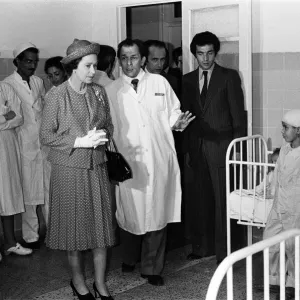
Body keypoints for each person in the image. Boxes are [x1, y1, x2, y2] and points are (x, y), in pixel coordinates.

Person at [105, 38, 195, 286]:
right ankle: (130, 257)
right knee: (129, 213)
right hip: (128, 161)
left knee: (156, 213)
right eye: (123, 58)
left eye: (133, 57)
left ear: (143, 59)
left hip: (158, 159)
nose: (128, 63)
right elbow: (107, 127)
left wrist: (177, 123)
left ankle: (152, 267)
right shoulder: (112, 91)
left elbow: (172, 112)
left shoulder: (159, 82)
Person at [40, 39, 116, 300]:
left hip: (96, 167)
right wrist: (78, 141)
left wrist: (101, 134)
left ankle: (100, 284)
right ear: (74, 66)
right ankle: (78, 282)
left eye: (95, 65)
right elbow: (46, 136)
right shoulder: (56, 96)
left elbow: (109, 125)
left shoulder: (98, 92)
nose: (94, 71)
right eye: (88, 66)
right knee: (73, 232)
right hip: (68, 170)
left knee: (100, 231)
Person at [182, 31, 245, 264]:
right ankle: (202, 246)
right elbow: (185, 117)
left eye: (209, 53)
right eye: (200, 54)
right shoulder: (187, 79)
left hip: (223, 147)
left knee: (222, 201)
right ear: (194, 54)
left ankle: (225, 251)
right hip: (197, 147)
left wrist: (238, 147)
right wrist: (188, 149)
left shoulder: (229, 76)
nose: (205, 58)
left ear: (215, 53)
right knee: (200, 200)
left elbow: (238, 115)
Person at [4, 42, 46, 250]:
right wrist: (12, 117)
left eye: (35, 61)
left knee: (47, 190)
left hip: (42, 143)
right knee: (29, 193)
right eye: (28, 61)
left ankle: (53, 232)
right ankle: (31, 236)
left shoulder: (38, 82)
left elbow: (43, 109)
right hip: (23, 143)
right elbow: (11, 116)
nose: (32, 65)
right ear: (17, 61)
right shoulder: (8, 84)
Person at [256, 110, 300, 300]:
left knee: (293, 247)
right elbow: (277, 174)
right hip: (278, 203)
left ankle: (293, 284)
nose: (282, 131)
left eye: (286, 128)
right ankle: (274, 281)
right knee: (270, 240)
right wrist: (269, 190)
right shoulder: (284, 148)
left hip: (295, 206)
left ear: (298, 130)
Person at [0, 82, 32, 259]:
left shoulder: (5, 88)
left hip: (6, 147)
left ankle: (10, 242)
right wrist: (5, 117)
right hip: (5, 138)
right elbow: (10, 118)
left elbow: (18, 117)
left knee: (8, 192)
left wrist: (7, 118)